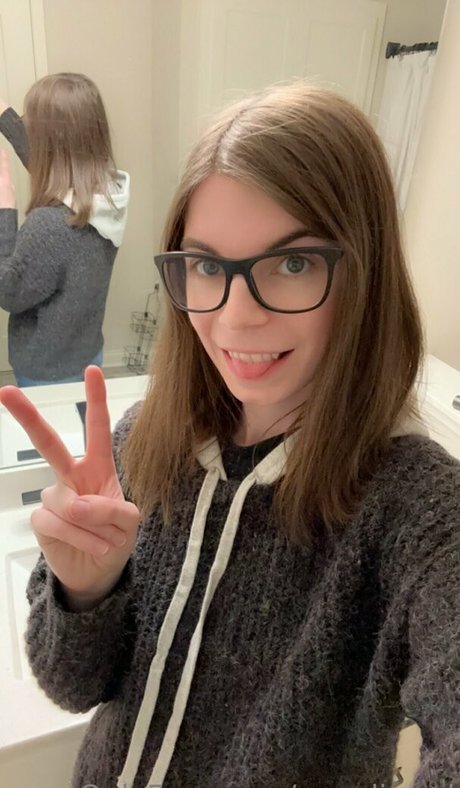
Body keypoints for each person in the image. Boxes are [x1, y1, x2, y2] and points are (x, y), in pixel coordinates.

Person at [0, 83, 458, 788]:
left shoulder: (415, 508)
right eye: (208, 266)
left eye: (294, 263)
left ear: (364, 274)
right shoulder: (141, 442)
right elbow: (71, 686)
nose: (235, 318)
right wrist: (85, 592)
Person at [0, 72, 130, 386]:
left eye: (29, 123)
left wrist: (5, 208)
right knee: (85, 410)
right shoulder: (107, 194)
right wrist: (4, 116)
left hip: (45, 371)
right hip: (86, 353)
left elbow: (8, 292)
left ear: (49, 144)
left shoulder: (48, 226)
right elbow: (49, 163)